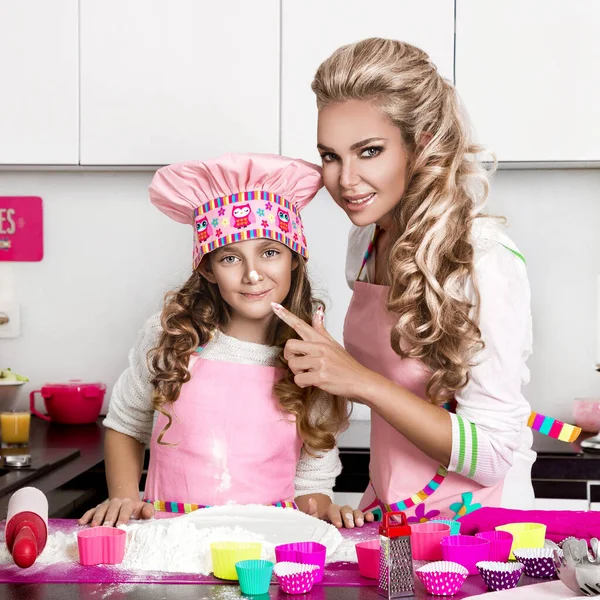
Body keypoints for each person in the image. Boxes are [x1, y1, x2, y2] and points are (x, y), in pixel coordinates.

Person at [271, 37, 542, 525]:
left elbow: (495, 453)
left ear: (422, 143)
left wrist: (360, 380)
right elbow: (394, 374)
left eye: (369, 151)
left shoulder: (483, 260)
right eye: (330, 156)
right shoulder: (367, 240)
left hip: (477, 527)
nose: (345, 179)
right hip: (391, 509)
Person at [79, 153, 350, 528]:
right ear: (207, 266)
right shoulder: (169, 338)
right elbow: (126, 423)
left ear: (293, 258)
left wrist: (325, 510)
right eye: (230, 258)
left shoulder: (313, 357)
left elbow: (312, 482)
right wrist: (124, 497)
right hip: (169, 547)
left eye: (270, 252)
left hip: (265, 554)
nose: (253, 274)